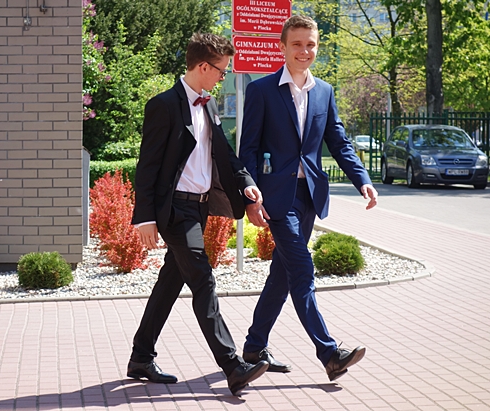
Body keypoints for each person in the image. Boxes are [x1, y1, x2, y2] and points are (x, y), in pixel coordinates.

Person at [127, 32, 269, 396]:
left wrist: (247, 184)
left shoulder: (209, 105)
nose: (223, 77)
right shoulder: (163, 105)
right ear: (203, 67)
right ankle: (232, 365)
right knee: (203, 281)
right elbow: (147, 166)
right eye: (221, 70)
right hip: (175, 209)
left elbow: (225, 154)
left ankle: (141, 357)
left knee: (171, 281)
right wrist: (144, 217)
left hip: (200, 206)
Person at [239, 15, 379, 381]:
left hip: (309, 196)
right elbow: (247, 149)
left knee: (282, 274)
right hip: (276, 198)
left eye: (311, 44)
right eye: (297, 44)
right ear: (283, 47)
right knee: (302, 270)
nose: (305, 51)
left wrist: (362, 180)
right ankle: (329, 354)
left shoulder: (325, 92)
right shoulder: (262, 90)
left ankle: (254, 346)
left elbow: (338, 141)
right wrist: (250, 198)